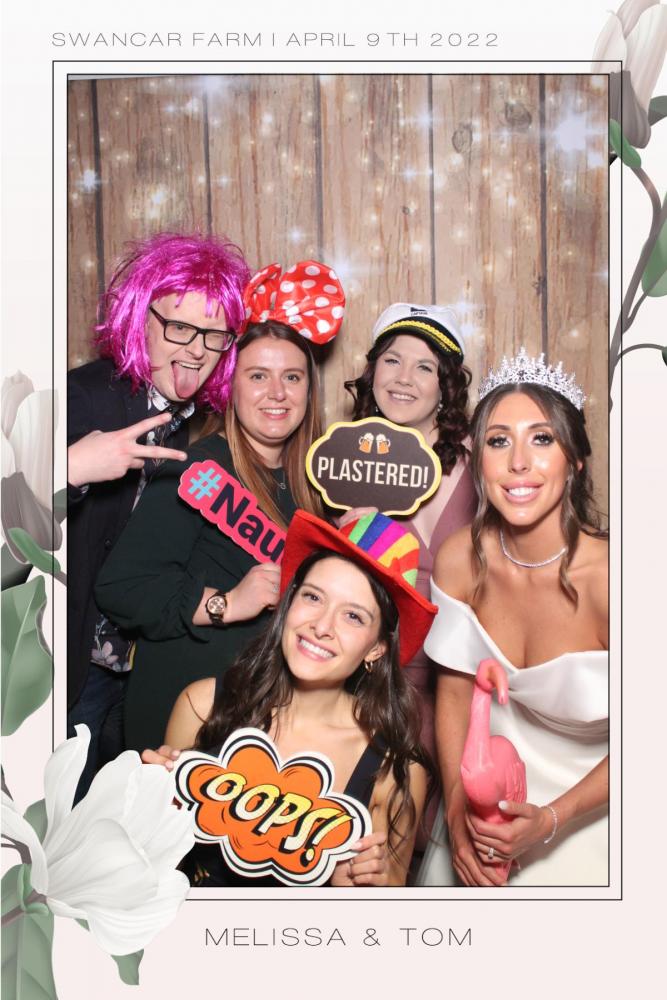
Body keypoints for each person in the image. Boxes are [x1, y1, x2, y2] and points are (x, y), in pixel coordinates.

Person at [95, 261, 345, 753]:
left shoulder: (318, 486)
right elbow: (122, 588)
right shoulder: (197, 468)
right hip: (186, 727)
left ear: (309, 389)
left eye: (292, 377)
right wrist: (225, 603)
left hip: (267, 723)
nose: (277, 393)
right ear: (231, 386)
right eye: (258, 376)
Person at [142, 509, 437, 887]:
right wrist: (150, 804)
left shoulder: (394, 769)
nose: (322, 626)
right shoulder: (202, 706)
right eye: (313, 597)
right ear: (289, 602)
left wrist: (361, 889)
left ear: (376, 649)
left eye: (353, 617)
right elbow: (150, 873)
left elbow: (388, 907)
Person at [416, 348, 608, 887]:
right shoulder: (459, 558)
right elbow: (454, 693)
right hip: (484, 799)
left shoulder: (615, 583)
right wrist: (458, 815)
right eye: (499, 441)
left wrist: (551, 820)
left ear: (575, 461)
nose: (518, 462)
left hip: (595, 811)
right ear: (479, 460)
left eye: (541, 439)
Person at [67, 231, 250, 794]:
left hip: (138, 669)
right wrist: (69, 469)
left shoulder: (196, 425)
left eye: (214, 335)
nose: (196, 349)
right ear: (139, 318)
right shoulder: (84, 396)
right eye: (179, 327)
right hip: (73, 667)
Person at [345, 303, 476, 836]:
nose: (404, 378)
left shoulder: (482, 460)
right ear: (372, 371)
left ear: (446, 385)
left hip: (458, 682)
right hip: (372, 684)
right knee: (369, 837)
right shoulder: (344, 462)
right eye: (392, 360)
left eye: (425, 367)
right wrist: (344, 540)